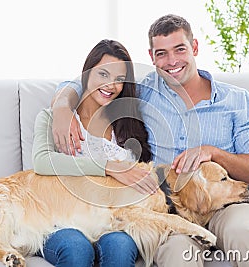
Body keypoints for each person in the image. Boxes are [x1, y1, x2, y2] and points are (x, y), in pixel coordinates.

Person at [50, 15, 249, 267]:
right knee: (175, 254)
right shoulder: (145, 93)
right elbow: (95, 81)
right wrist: (62, 106)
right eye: (162, 53)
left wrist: (212, 153)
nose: (172, 61)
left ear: (194, 47)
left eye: (179, 49)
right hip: (171, 210)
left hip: (227, 204)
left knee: (245, 234)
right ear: (152, 57)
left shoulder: (236, 100)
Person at [32, 39, 158, 267]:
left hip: (114, 221)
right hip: (60, 219)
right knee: (76, 250)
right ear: (87, 73)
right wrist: (107, 167)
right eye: (103, 74)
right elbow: (42, 162)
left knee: (119, 248)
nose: (111, 85)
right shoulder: (54, 117)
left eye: (119, 79)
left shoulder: (128, 125)